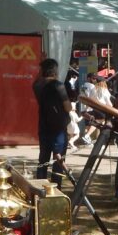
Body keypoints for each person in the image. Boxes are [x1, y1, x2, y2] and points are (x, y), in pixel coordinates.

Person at [33, 58, 72, 188]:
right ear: (55, 71)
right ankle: (56, 189)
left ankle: (40, 187)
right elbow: (68, 107)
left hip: (44, 127)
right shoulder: (59, 85)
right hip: (58, 129)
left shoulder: (37, 86)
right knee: (59, 161)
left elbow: (37, 80)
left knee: (43, 160)